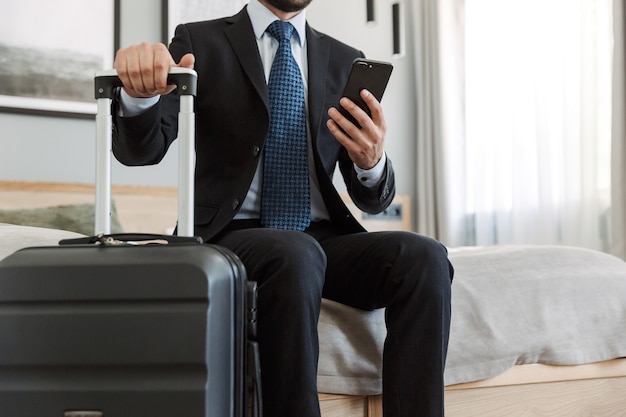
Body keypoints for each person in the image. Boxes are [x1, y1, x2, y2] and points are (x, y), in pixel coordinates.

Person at [112, 0, 453, 416]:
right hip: (229, 235)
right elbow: (140, 151)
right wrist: (138, 96)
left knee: (426, 258)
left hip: (321, 238)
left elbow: (371, 198)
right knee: (296, 252)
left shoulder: (346, 60)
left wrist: (372, 162)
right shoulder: (199, 40)